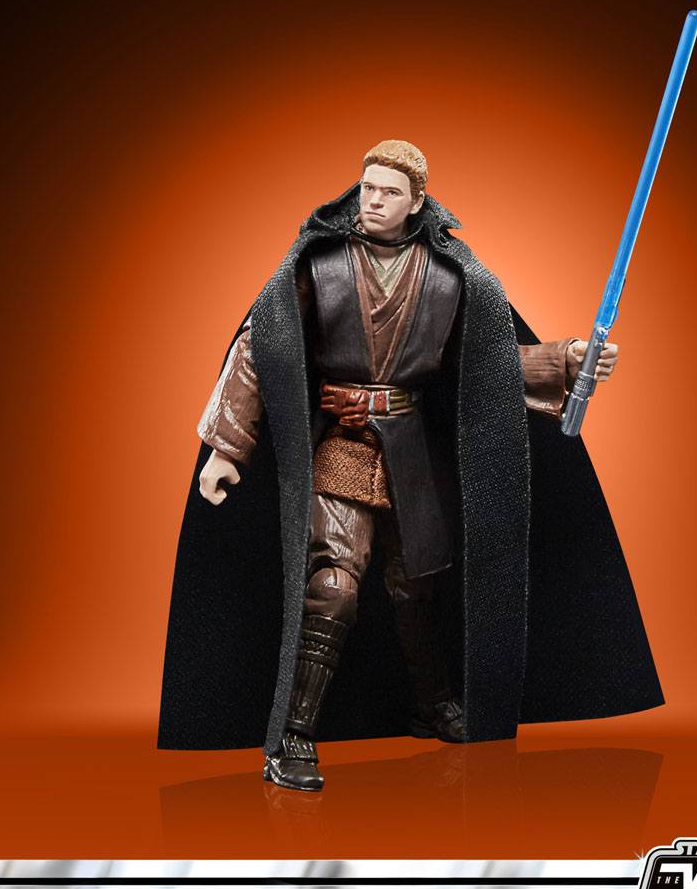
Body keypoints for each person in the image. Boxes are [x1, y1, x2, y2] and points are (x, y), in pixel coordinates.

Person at [157, 141, 663, 790]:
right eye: (367, 187)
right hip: (344, 446)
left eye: (389, 191)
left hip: (410, 456)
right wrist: (228, 448)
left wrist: (569, 360)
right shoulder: (322, 265)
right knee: (333, 586)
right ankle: (292, 736)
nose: (372, 200)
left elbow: (487, 363)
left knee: (416, 587)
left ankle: (433, 706)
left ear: (416, 202)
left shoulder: (449, 277)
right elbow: (266, 345)